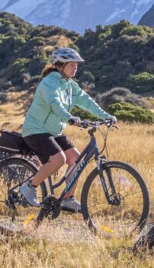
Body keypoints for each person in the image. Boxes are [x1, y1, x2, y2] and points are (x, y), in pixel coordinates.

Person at [19, 47, 116, 212]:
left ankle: (67, 199)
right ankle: (29, 187)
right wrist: (70, 118)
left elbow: (87, 101)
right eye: (71, 65)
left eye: (76, 65)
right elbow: (54, 103)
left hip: (53, 132)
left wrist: (106, 116)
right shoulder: (49, 82)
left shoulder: (71, 86)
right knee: (59, 159)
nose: (75, 68)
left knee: (77, 160)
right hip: (35, 130)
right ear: (60, 65)